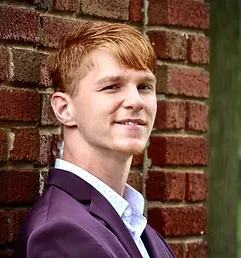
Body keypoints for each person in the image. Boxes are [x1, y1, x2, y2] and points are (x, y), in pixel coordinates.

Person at [14, 21, 176, 258]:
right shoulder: (59, 234)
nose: (136, 101)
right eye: (112, 86)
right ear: (65, 109)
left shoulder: (138, 227)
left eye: (144, 86)